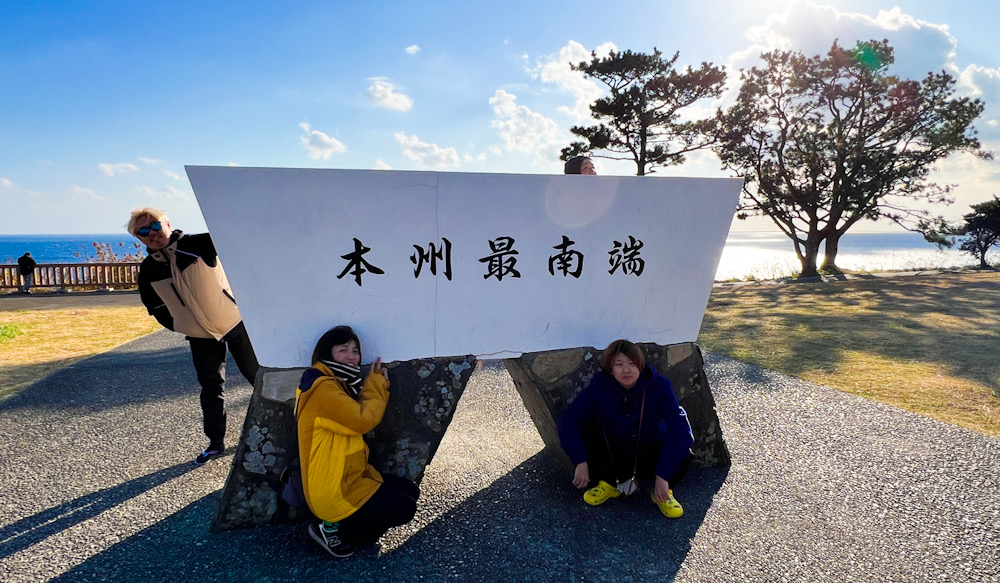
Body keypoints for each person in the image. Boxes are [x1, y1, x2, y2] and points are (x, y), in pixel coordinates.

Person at [127, 207, 260, 465]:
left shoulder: (199, 243)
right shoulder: (148, 270)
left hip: (234, 321)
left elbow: (240, 247)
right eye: (143, 231)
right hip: (199, 336)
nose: (152, 233)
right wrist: (181, 325)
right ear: (139, 239)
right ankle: (215, 443)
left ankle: (287, 425)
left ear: (167, 223)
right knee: (211, 388)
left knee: (258, 376)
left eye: (155, 225)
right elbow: (154, 306)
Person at [297, 325, 419, 558]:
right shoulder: (323, 389)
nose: (352, 356)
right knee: (405, 508)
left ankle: (338, 522)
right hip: (333, 487)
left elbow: (351, 414)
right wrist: (376, 385)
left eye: (355, 350)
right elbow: (362, 419)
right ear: (327, 354)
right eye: (343, 350)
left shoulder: (333, 380)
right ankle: (332, 529)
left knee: (409, 491)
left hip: (348, 475)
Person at [558, 339, 694, 518]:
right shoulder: (600, 385)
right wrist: (580, 461)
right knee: (588, 429)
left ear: (640, 365)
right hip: (615, 451)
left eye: (631, 364)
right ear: (610, 368)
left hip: (648, 450)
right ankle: (608, 483)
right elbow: (570, 419)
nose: (626, 370)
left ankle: (661, 492)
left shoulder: (660, 386)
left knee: (684, 453)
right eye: (619, 364)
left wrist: (663, 476)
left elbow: (681, 430)